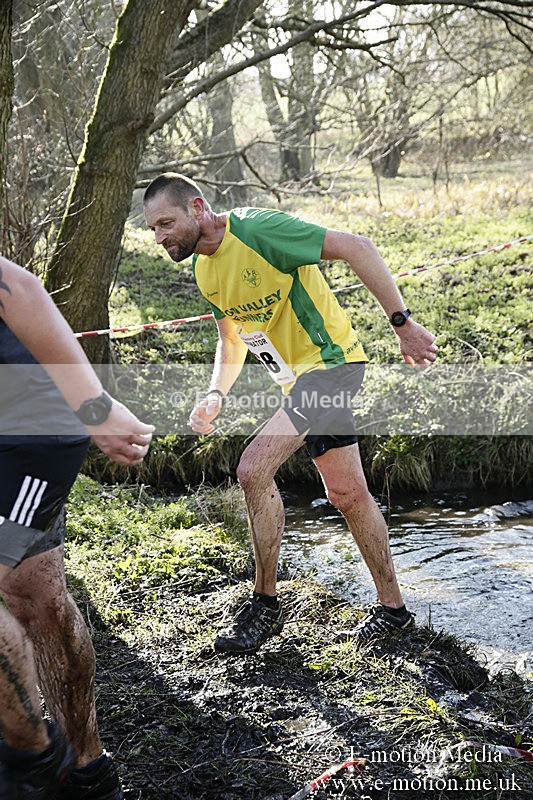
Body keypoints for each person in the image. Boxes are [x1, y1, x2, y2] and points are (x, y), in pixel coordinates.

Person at [143, 172, 437, 656]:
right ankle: (395, 613)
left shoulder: (258, 231)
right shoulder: (204, 271)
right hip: (298, 381)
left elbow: (357, 245)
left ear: (197, 208)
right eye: (153, 229)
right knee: (347, 494)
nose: (160, 237)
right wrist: (217, 391)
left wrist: (401, 324)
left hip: (331, 366)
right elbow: (231, 339)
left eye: (166, 223)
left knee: (252, 467)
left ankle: (265, 603)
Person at [0, 255, 154, 798]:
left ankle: (42, 762)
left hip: (26, 435)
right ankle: (81, 772)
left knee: (33, 600)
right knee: (28, 598)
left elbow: (15, 284)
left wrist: (95, 407)